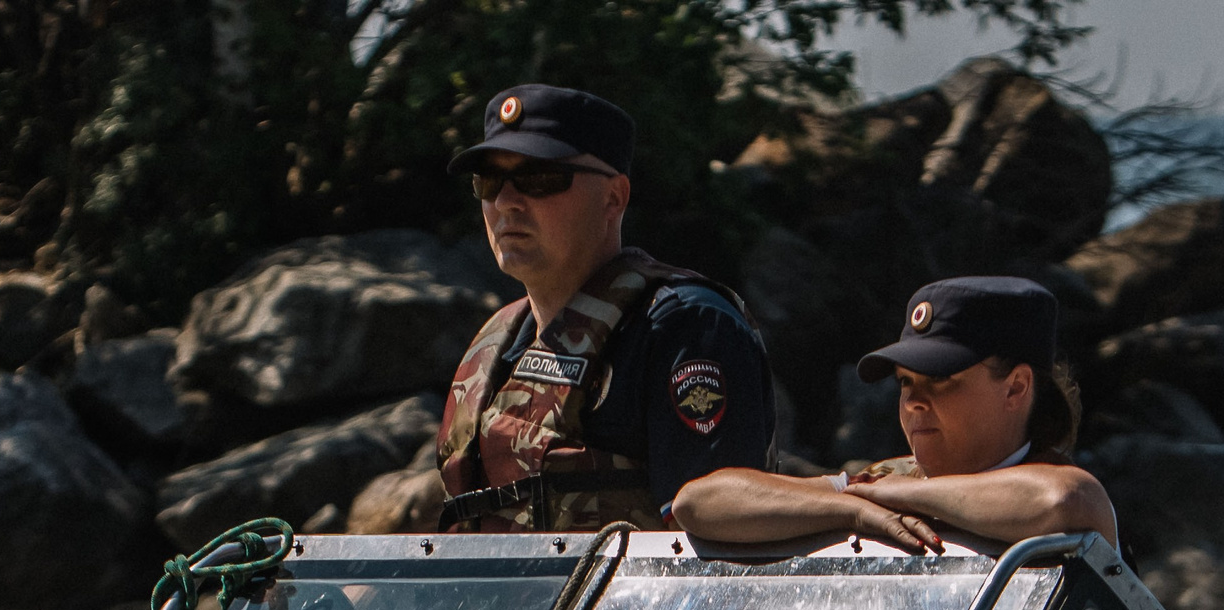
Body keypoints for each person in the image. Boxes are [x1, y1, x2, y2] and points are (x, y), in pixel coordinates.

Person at [437, 83, 773, 532]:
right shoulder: (498, 343)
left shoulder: (685, 329)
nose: (505, 202)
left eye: (539, 178)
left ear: (613, 197)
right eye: (489, 181)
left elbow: (719, 555)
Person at [671, 276, 1117, 550]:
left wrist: (890, 496)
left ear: (1016, 387)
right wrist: (854, 510)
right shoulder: (891, 481)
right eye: (905, 382)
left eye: (942, 380)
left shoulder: (1056, 485)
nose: (913, 402)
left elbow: (1063, 501)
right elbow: (698, 502)